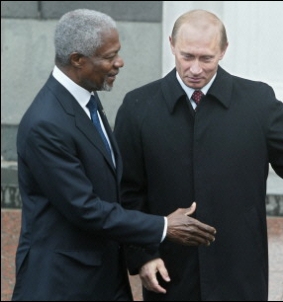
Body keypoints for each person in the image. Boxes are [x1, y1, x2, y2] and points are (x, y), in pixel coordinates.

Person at [113, 9, 283, 301]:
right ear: (172, 44)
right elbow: (127, 192)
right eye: (187, 56)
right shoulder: (137, 108)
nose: (195, 69)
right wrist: (144, 255)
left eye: (206, 58)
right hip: (172, 271)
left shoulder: (257, 103)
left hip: (239, 270)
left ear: (224, 50)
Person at [11, 9, 217, 301]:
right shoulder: (46, 124)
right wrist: (163, 226)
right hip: (63, 284)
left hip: (103, 276)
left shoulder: (87, 99)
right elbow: (85, 208)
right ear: (78, 60)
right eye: (109, 57)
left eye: (117, 53)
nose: (119, 63)